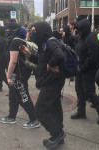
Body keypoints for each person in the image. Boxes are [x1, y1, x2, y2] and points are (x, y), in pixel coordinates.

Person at [0, 22, 40, 129]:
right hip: (19, 74)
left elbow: (13, 62)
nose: (6, 32)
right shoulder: (17, 41)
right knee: (13, 96)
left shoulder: (15, 42)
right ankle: (11, 117)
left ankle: (34, 119)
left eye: (8, 30)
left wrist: (8, 77)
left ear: (13, 31)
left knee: (23, 97)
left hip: (19, 75)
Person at [33, 21, 66, 149]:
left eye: (36, 30)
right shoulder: (44, 43)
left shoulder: (51, 42)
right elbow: (42, 60)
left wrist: (50, 64)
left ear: (42, 31)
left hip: (52, 82)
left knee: (40, 110)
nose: (34, 33)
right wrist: (29, 55)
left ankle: (57, 133)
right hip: (51, 81)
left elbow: (60, 55)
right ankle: (59, 134)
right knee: (54, 107)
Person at [70, 19, 99, 125]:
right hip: (79, 69)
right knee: (79, 90)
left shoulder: (91, 38)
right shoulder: (82, 36)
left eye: (80, 29)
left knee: (89, 92)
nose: (78, 31)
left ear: (85, 28)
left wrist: (82, 68)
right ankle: (81, 111)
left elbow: (92, 57)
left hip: (88, 70)